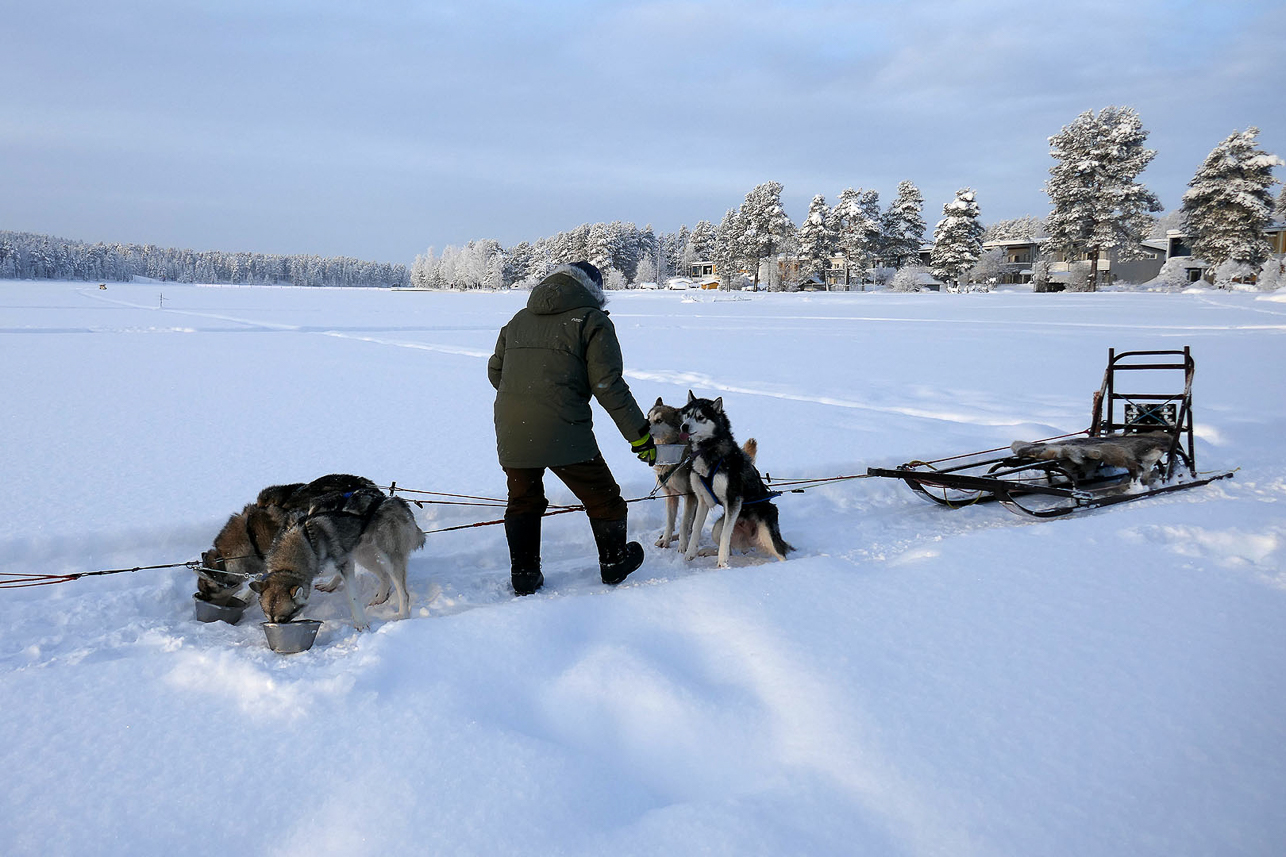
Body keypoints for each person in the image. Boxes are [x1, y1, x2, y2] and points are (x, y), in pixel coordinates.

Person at [487, 260, 657, 595]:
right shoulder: (592, 321)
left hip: (512, 427)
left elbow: (496, 373)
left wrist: (527, 394)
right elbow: (608, 386)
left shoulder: (518, 320)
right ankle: (614, 563)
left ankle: (524, 575)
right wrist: (640, 436)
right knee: (604, 498)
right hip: (563, 428)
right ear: (594, 289)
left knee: (523, 499)